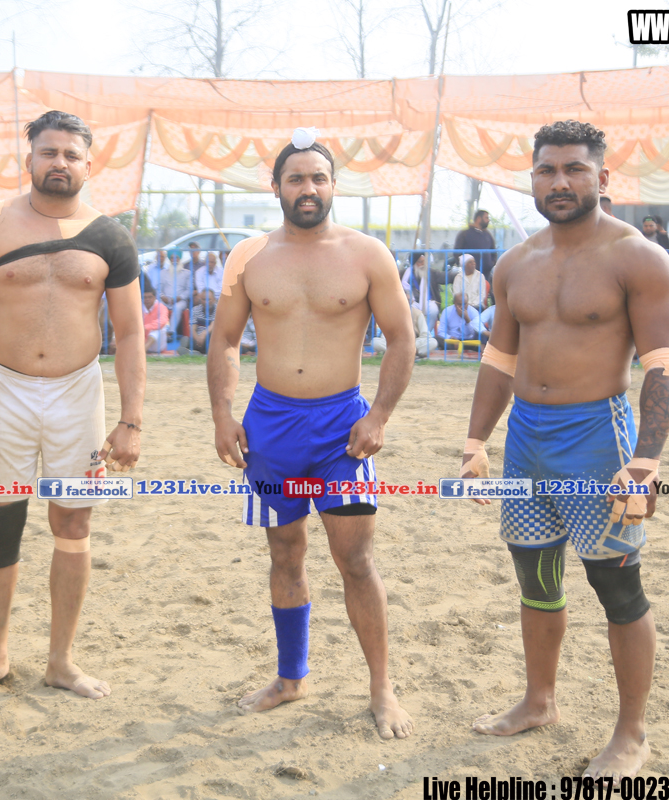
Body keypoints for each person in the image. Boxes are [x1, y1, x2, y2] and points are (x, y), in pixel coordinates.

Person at [461, 120, 669, 779]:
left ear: (602, 178)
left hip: (598, 439)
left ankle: (632, 735)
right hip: (526, 440)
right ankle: (540, 701)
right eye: (547, 170)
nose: (559, 182)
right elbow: (500, 360)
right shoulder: (514, 263)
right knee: (535, 577)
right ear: (532, 179)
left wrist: (645, 463)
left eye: (574, 169)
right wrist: (475, 442)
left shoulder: (637, 257)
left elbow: (664, 366)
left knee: (617, 586)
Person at [206, 130, 415, 740]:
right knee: (285, 553)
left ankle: (382, 688)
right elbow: (224, 340)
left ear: (333, 186)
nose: (308, 188)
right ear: (276, 187)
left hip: (340, 431)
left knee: (355, 559)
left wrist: (379, 415)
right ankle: (290, 676)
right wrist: (222, 413)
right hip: (270, 428)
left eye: (318, 178)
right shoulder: (249, 257)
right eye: (295, 178)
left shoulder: (367, 254)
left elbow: (402, 339)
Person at [0, 110, 144, 705]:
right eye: (49, 152)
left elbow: (130, 333)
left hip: (77, 393)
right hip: (4, 389)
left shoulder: (110, 236)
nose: (60, 162)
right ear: (28, 157)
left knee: (73, 523)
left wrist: (131, 420)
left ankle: (61, 661)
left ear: (89, 164)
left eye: (71, 154)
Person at [156, 248, 192, 339]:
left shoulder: (187, 273)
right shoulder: (163, 273)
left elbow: (189, 290)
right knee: (159, 306)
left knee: (177, 307)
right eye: (172, 258)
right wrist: (162, 296)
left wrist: (179, 297)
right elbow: (158, 289)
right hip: (165, 300)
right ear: (169, 259)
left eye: (176, 258)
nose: (174, 260)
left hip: (180, 300)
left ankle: (171, 332)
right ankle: (161, 331)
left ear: (180, 259)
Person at [454, 208, 497, 281]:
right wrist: (465, 266)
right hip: (469, 275)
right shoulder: (465, 234)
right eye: (486, 218)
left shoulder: (488, 235)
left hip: (486, 274)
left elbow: (493, 251)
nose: (488, 220)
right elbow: (457, 252)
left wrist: (491, 264)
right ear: (479, 219)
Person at [178, 289, 216, 354]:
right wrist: (197, 338)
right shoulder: (195, 309)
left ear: (214, 300)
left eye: (208, 299)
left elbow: (213, 325)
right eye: (204, 299)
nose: (206, 302)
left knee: (211, 337)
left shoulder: (218, 309)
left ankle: (192, 350)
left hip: (211, 337)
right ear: (200, 299)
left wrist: (203, 334)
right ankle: (195, 351)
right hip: (198, 338)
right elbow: (192, 328)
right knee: (188, 339)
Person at [142, 287, 169, 353]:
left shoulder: (161, 307)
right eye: (145, 297)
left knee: (160, 328)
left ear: (155, 297)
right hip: (142, 339)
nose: (147, 299)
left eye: (150, 297)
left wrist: (145, 327)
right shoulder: (138, 307)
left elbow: (162, 321)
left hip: (157, 344)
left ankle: (142, 351)